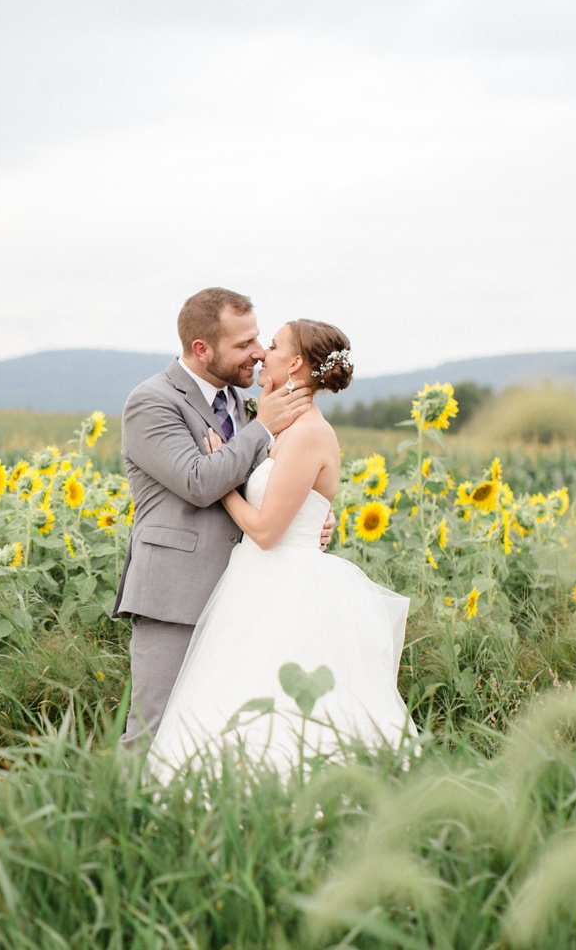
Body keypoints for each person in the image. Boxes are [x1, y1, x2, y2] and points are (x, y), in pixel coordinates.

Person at [145, 319, 412, 783]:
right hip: (253, 581)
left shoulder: (309, 433)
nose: (261, 353)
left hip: (286, 585)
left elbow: (267, 531)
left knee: (286, 711)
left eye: (271, 345)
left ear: (294, 363)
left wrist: (221, 480)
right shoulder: (276, 425)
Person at [114, 288, 324, 750]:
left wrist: (312, 520)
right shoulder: (151, 402)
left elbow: (273, 483)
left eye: (259, 339)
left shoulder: (246, 402)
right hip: (176, 596)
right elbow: (197, 480)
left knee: (224, 735)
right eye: (244, 344)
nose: (258, 352)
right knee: (153, 732)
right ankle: (126, 822)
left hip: (246, 598)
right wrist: (262, 428)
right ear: (201, 349)